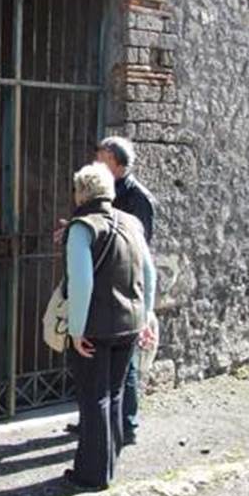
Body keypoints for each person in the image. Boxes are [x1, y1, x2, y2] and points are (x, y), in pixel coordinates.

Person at [63, 163, 156, 491]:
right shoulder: (130, 222)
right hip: (129, 324)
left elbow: (82, 283)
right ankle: (109, 464)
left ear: (81, 192)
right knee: (115, 394)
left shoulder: (82, 227)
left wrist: (76, 330)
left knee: (93, 399)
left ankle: (92, 474)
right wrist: (145, 317)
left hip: (95, 328)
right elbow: (149, 272)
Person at [94, 136, 157, 442]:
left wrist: (145, 307)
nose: (97, 163)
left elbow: (140, 252)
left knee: (125, 366)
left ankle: (128, 425)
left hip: (125, 291)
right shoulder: (104, 193)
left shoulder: (137, 198)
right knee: (102, 366)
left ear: (118, 164)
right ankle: (99, 422)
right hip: (103, 287)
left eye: (103, 158)